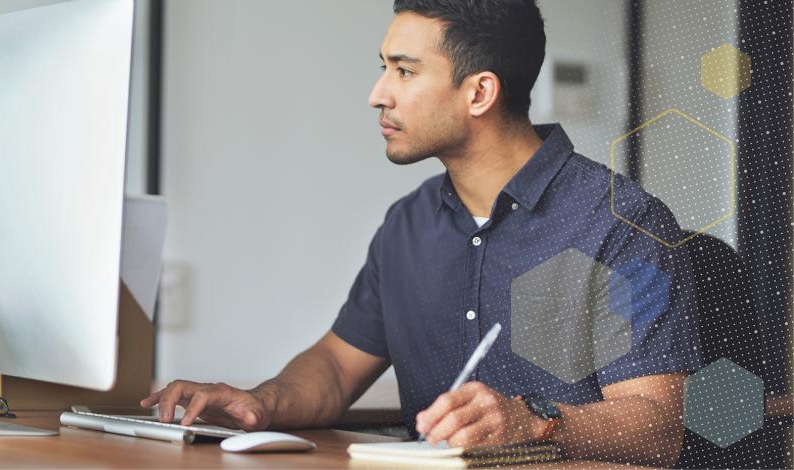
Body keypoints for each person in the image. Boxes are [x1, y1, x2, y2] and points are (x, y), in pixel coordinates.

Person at [141, 0, 703, 466]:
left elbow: (657, 428)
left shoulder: (620, 222)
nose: (378, 93)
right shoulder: (406, 224)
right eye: (384, 67)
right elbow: (337, 369)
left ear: (479, 92)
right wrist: (259, 404)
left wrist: (533, 421)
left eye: (404, 71)